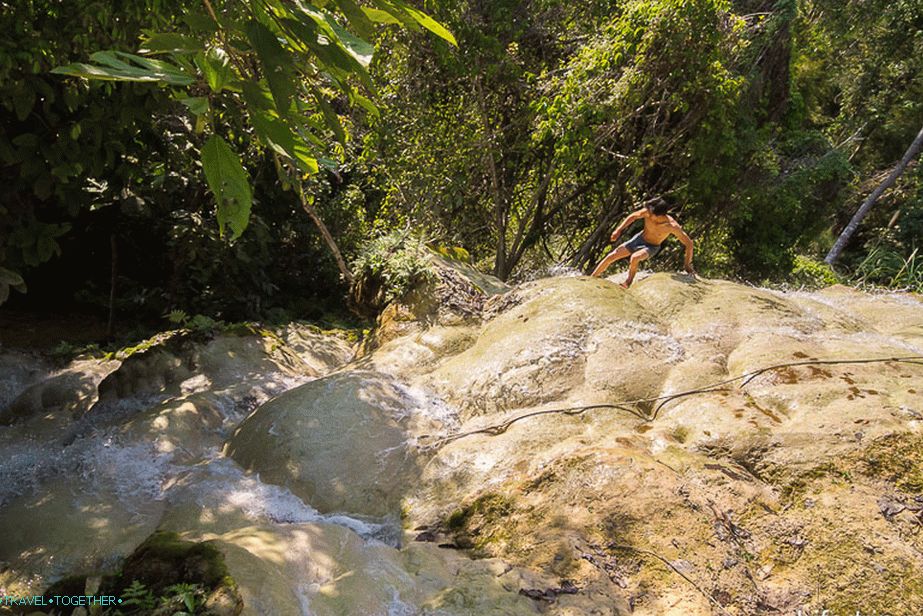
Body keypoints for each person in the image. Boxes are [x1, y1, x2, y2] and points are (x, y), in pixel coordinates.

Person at [591, 197, 696, 288]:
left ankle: (628, 282)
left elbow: (689, 244)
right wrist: (618, 230)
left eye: (650, 212)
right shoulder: (647, 212)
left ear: (658, 215)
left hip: (652, 247)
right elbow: (633, 216)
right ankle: (592, 277)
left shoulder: (672, 226)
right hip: (639, 239)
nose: (647, 213)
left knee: (635, 257)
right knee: (612, 256)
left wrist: (687, 265)